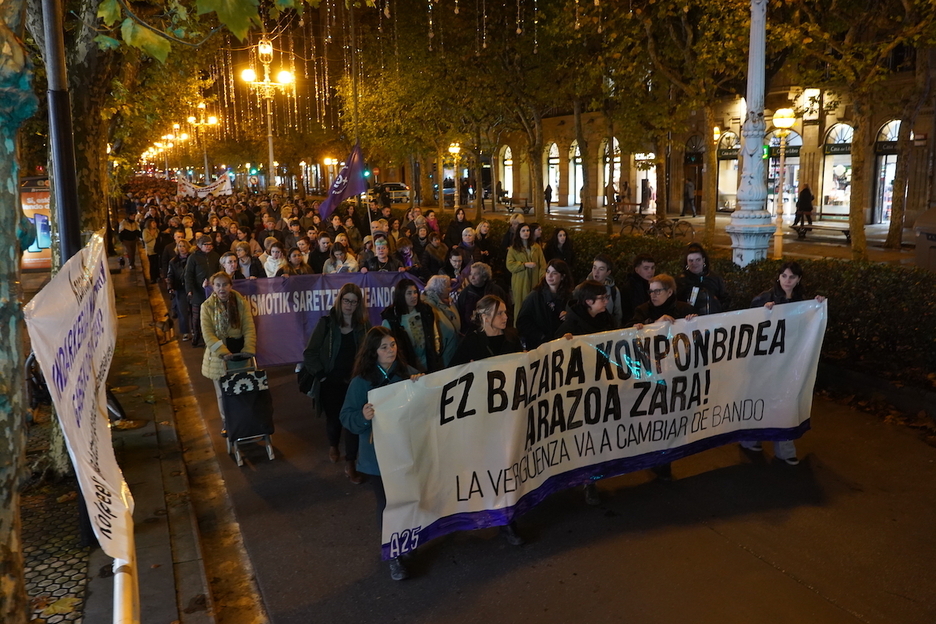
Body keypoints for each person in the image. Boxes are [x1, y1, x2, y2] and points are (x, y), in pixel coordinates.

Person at [340, 327, 423, 581]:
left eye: (393, 344)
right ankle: (393, 555)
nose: (391, 350)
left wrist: (421, 385)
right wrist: (363, 417)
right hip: (377, 458)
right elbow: (347, 416)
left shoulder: (406, 373)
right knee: (387, 505)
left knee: (408, 500)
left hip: (405, 452)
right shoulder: (361, 382)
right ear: (373, 352)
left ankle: (405, 543)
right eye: (384, 347)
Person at [448, 295, 525, 545]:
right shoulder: (471, 343)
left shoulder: (512, 338)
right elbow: (450, 377)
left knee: (508, 466)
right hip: (483, 420)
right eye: (500, 313)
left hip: (509, 416)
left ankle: (507, 520)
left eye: (505, 312)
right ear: (484, 317)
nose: (505, 317)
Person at [740, 262, 826, 465]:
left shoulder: (802, 301)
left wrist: (817, 306)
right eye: (784, 276)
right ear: (778, 277)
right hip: (764, 362)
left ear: (798, 280)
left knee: (784, 402)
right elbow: (749, 326)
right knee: (761, 400)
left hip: (788, 362)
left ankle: (784, 449)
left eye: (792, 277)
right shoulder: (764, 299)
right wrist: (763, 313)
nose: (788, 281)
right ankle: (751, 439)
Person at [555, 280, 618, 505]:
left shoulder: (604, 318)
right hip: (580, 392)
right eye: (603, 298)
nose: (607, 302)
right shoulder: (570, 327)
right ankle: (587, 481)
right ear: (589, 302)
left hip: (602, 384)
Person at [304, 283, 371, 483]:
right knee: (334, 419)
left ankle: (350, 462)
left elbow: (369, 351)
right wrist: (322, 375)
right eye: (346, 300)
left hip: (355, 382)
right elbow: (310, 353)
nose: (349, 305)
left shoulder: (364, 326)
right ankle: (333, 444)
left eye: (353, 301)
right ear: (339, 300)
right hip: (331, 381)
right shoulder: (327, 324)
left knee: (352, 422)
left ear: (359, 304)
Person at [200, 272, 257, 433]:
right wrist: (223, 352)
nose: (221, 288)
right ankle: (228, 423)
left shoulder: (240, 301)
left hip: (240, 355)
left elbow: (248, 326)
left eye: (225, 284)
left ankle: (244, 422)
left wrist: (249, 348)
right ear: (213, 287)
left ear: (230, 286)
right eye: (218, 285)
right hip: (219, 358)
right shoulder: (207, 306)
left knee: (242, 391)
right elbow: (208, 334)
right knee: (223, 394)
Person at [381, 279, 443, 373]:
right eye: (409, 293)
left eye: (415, 292)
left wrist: (436, 353)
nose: (413, 296)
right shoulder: (391, 318)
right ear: (401, 295)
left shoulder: (425, 311)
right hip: (406, 368)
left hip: (429, 364)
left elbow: (435, 334)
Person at [516, 259, 575, 350]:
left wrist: (569, 315)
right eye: (548, 272)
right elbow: (522, 322)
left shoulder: (569, 296)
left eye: (554, 273)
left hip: (561, 346)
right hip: (540, 347)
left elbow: (575, 319)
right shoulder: (535, 296)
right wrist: (541, 336)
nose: (550, 276)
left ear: (563, 276)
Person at [184, 237, 220, 347]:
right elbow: (188, 275)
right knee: (197, 316)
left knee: (211, 315)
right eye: (206, 244)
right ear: (200, 245)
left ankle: (209, 337)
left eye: (210, 244)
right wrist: (189, 290)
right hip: (198, 291)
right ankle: (196, 335)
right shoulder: (193, 258)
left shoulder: (215, 256)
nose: (209, 246)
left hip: (212, 291)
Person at [506, 223, 546, 322]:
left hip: (534, 281)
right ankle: (519, 327)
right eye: (523, 231)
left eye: (527, 230)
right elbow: (510, 265)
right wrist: (524, 265)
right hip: (520, 281)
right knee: (520, 304)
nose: (526, 233)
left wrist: (541, 279)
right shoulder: (513, 249)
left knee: (534, 304)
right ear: (518, 233)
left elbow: (542, 264)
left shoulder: (536, 247)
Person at [676, 244, 730, 315]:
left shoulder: (715, 278)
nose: (694, 263)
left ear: (703, 260)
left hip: (713, 320)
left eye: (698, 260)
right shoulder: (680, 280)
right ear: (687, 262)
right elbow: (676, 304)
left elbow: (725, 299)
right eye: (691, 261)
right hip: (690, 322)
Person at [456, 262, 508, 332]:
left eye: (476, 274)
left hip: (494, 330)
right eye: (471, 274)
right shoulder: (465, 293)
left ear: (484, 277)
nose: (472, 277)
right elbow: (460, 313)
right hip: (472, 332)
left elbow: (507, 309)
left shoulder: (496, 291)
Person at [421, 275, 461, 366]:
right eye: (448, 287)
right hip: (442, 359)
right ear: (440, 289)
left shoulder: (448, 302)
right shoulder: (429, 307)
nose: (450, 289)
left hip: (451, 354)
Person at [166, 240, 193, 341]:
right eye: (180, 246)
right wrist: (170, 286)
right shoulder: (173, 262)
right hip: (180, 288)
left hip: (192, 288)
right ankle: (185, 332)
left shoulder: (192, 259)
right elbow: (170, 275)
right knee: (183, 311)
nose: (182, 248)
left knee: (194, 310)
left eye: (183, 246)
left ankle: (196, 329)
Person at [588, 254, 624, 327]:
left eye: (601, 269)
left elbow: (618, 314)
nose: (596, 272)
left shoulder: (613, 290)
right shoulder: (581, 289)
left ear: (608, 272)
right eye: (594, 268)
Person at [620, 254, 656, 320]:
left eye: (652, 268)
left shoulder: (654, 285)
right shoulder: (630, 288)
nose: (650, 271)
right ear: (637, 270)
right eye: (646, 268)